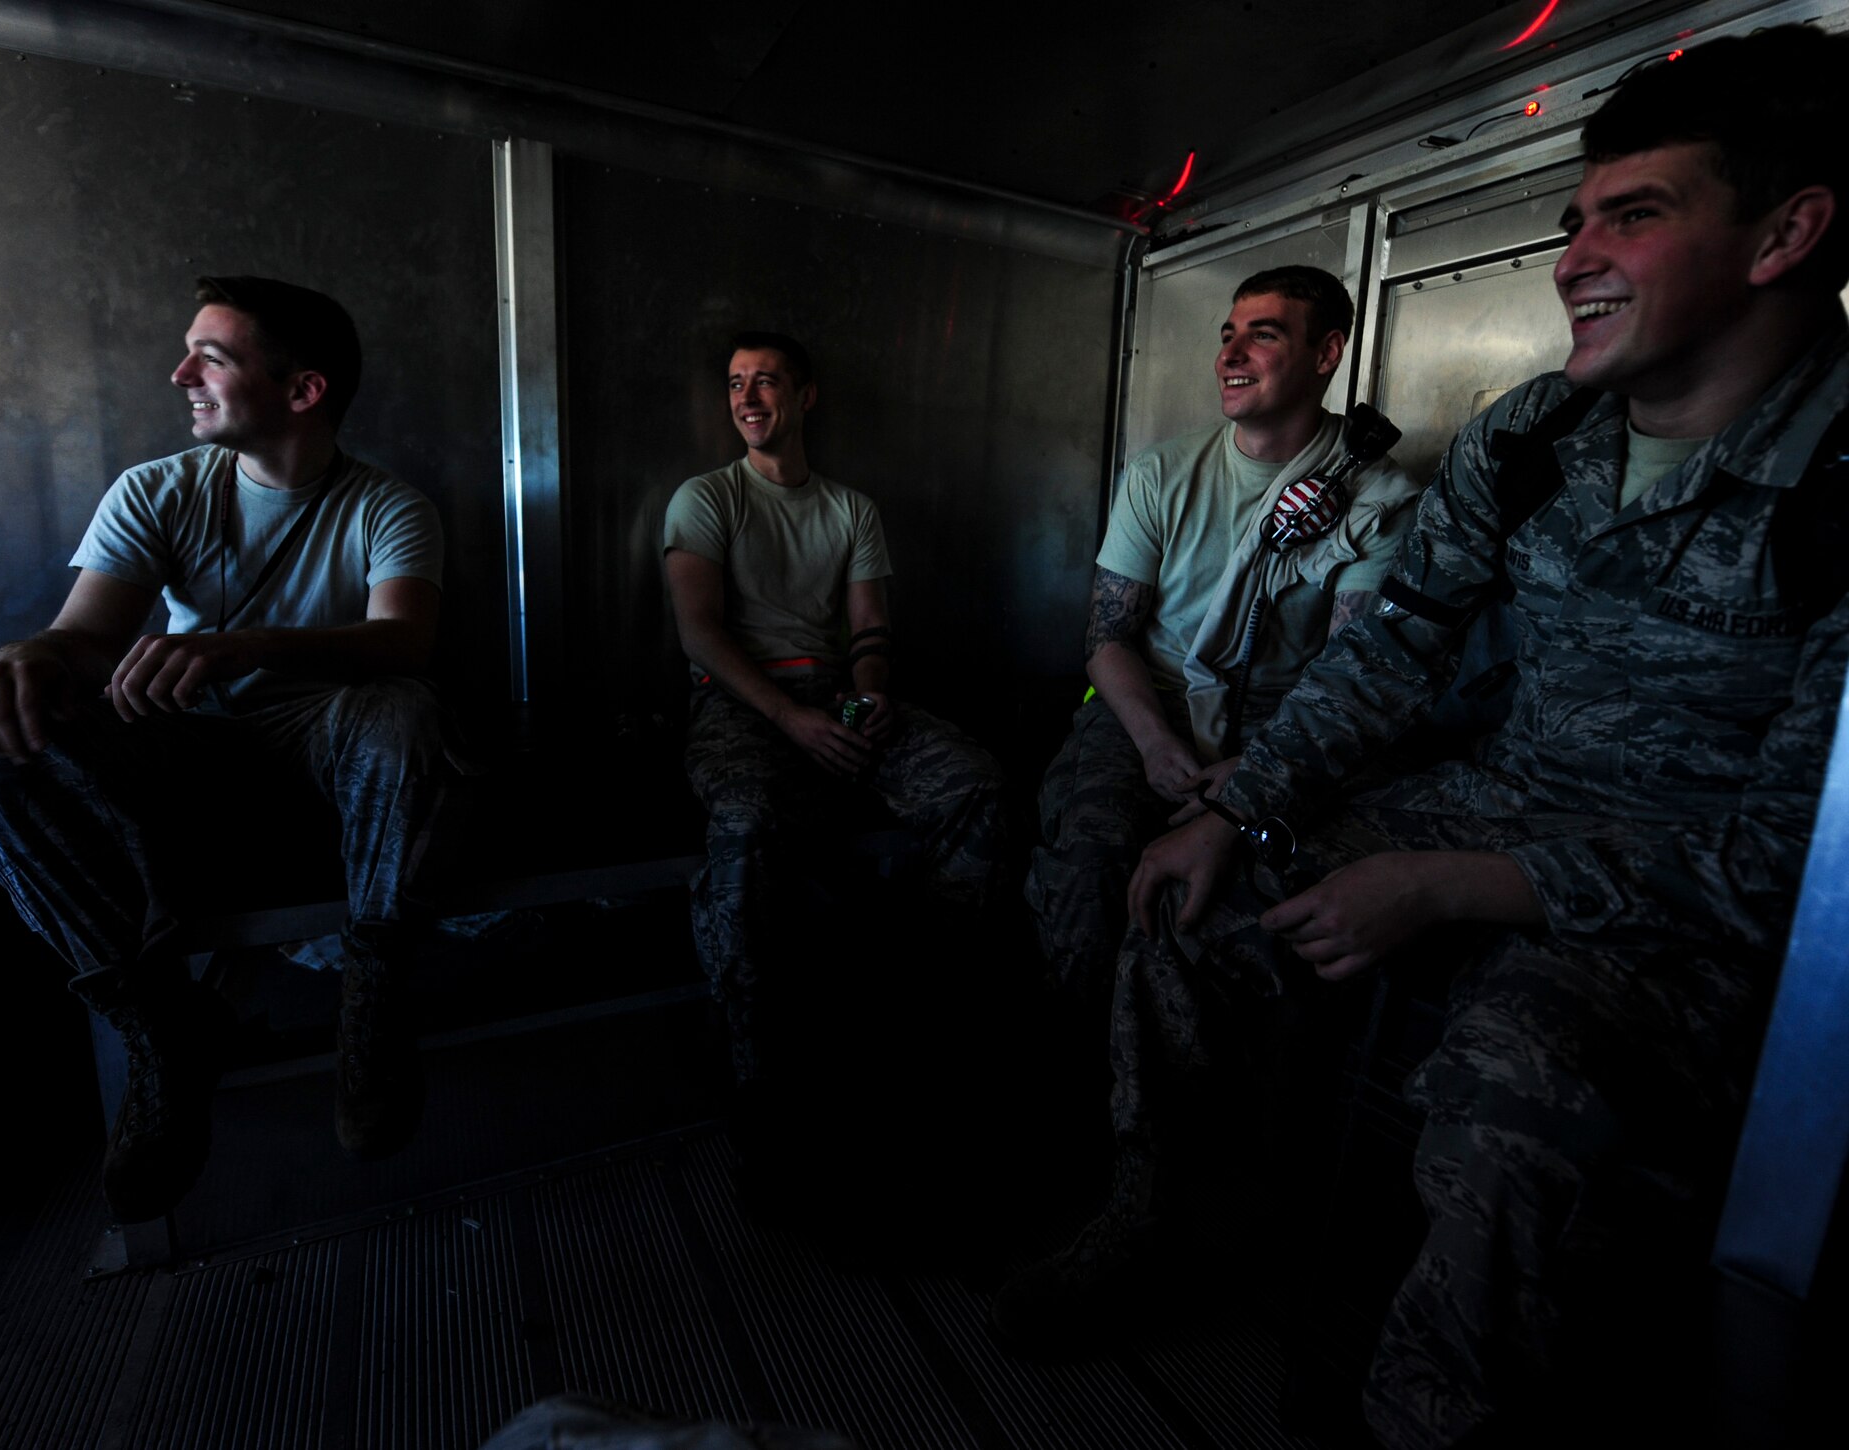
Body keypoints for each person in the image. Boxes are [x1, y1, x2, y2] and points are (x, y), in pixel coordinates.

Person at [995, 26, 1849, 1447]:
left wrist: (1458, 889)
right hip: (1494, 801)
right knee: (1186, 903)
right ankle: (1162, 1215)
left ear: (1788, 233)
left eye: (1634, 217)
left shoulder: (1836, 484)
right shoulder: (1534, 437)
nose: (1576, 255)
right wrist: (1233, 811)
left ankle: (1424, 1410)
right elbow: (1390, 654)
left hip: (1689, 899)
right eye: (1574, 217)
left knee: (1519, 1073)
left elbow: (1794, 874)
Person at [0, 276, 448, 1222]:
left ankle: (375, 1008)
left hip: (318, 745)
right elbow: (88, 638)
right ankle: (160, 1028)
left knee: (401, 711)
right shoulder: (158, 490)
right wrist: (27, 657)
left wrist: (241, 647)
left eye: (212, 356)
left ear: (302, 392)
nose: (181, 374)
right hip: (187, 754)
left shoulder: (388, 508)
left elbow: (403, 642)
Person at [1025, 266, 1421, 1009]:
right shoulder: (1162, 475)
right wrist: (1152, 744)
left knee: (1229, 903)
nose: (1230, 355)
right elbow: (1108, 641)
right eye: (1227, 336)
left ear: (1327, 353)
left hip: (1288, 722)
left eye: (1262, 336)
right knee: (1090, 860)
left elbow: (1352, 671)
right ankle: (1069, 1051)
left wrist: (1257, 766)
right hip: (1151, 703)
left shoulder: (1375, 498)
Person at [663, 332, 1005, 1098]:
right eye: (735, 384)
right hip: (742, 704)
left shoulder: (850, 509)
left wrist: (871, 693)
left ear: (804, 396)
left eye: (766, 382)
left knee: (973, 785)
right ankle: (754, 1054)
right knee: (747, 819)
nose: (747, 398)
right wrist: (789, 717)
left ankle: (926, 1001)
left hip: (831, 695)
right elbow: (700, 633)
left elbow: (869, 631)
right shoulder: (708, 498)